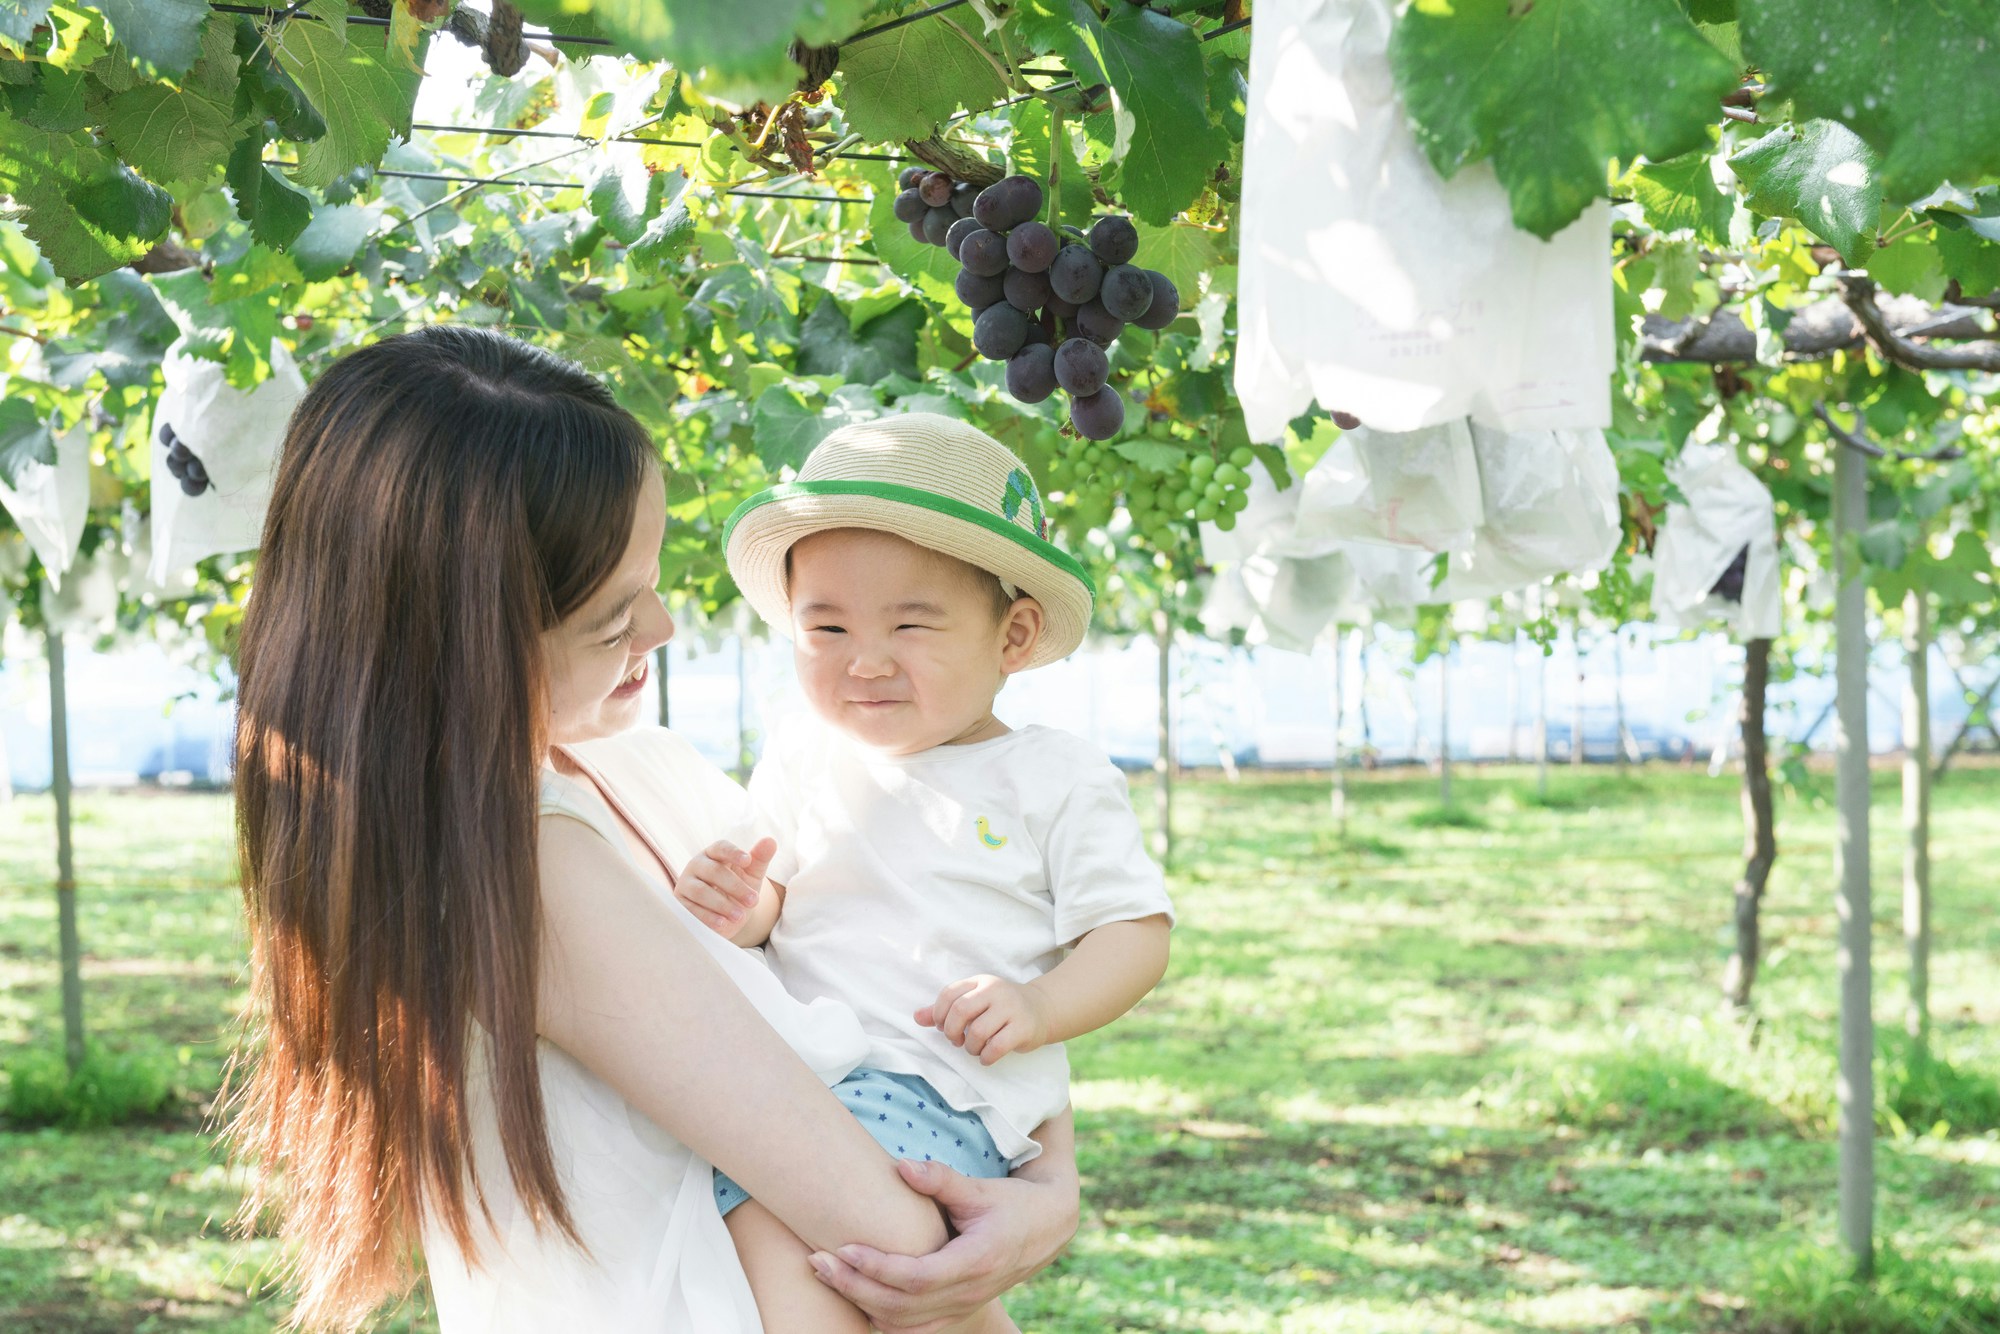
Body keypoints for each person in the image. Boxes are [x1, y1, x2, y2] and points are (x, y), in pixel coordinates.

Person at [225, 326, 1079, 1334]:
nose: (664, 627)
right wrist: (1017, 1221)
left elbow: (914, 957)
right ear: (474, 646)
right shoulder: (518, 864)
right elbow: (881, 1233)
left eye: (650, 576)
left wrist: (1048, 1189)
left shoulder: (640, 763)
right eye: (611, 618)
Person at [666, 416, 1175, 1331]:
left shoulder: (1051, 775)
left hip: (945, 1092)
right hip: (803, 1071)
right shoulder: (801, 752)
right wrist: (746, 906)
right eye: (825, 626)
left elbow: (1134, 932)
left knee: (799, 1253)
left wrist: (1037, 1006)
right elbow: (781, 900)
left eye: (910, 623)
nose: (865, 660)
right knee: (821, 1263)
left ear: (1013, 636)